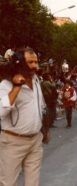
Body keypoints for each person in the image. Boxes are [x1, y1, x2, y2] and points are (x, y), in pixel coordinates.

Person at [0, 47, 46, 186]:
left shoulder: (36, 80)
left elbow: (40, 106)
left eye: (36, 62)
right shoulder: (6, 85)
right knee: (8, 183)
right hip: (12, 142)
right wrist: (16, 87)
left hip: (35, 141)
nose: (35, 66)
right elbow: (1, 112)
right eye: (30, 62)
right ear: (19, 63)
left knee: (33, 183)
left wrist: (43, 130)